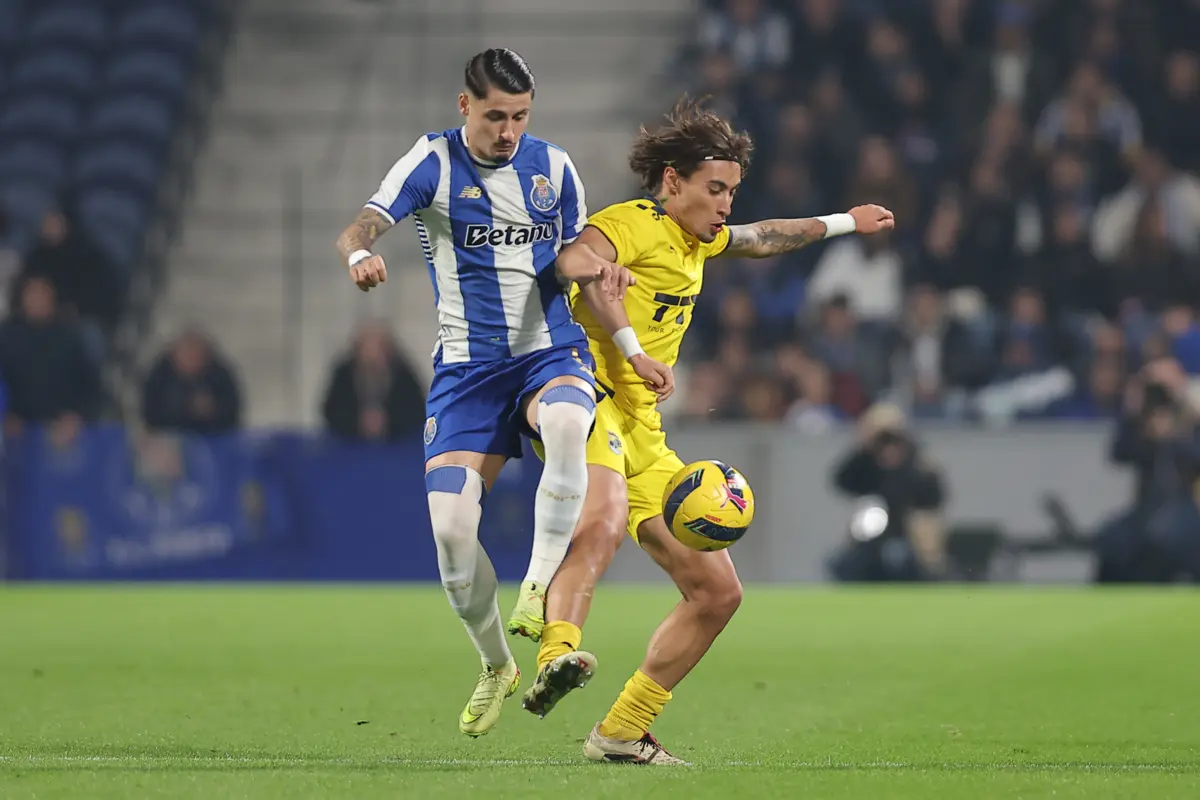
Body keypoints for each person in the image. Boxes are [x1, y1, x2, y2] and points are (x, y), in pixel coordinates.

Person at [516, 98, 894, 765]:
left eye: (731, 192)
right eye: (715, 189)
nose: (725, 205)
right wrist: (601, 274)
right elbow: (573, 259)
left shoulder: (699, 240)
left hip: (643, 430)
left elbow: (763, 236)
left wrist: (844, 222)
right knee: (602, 518)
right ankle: (556, 656)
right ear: (673, 181)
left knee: (719, 592)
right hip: (585, 399)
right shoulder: (631, 223)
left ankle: (621, 731)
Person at [333, 48, 631, 738]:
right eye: (496, 116)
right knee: (450, 534)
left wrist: (600, 275)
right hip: (467, 373)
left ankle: (538, 585)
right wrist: (359, 254)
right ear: (465, 105)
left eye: (520, 116)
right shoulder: (431, 162)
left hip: (548, 351)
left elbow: (571, 253)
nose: (509, 131)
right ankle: (498, 664)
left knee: (567, 422)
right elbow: (360, 226)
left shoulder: (554, 167)